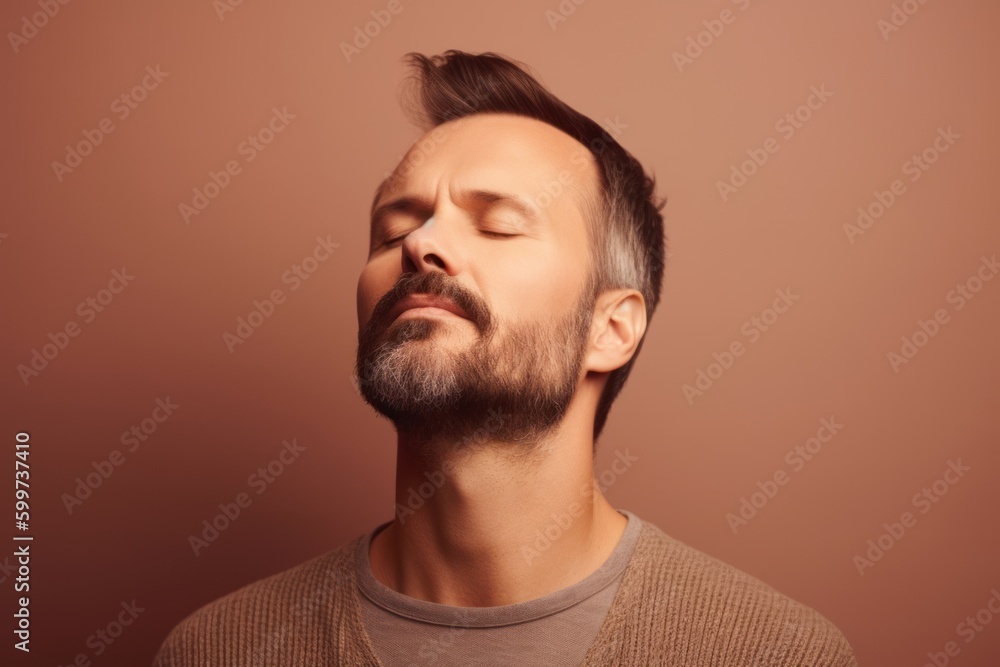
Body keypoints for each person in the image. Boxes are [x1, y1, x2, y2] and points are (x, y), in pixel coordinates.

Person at [153, 50, 857, 666]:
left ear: (610, 328)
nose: (420, 245)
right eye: (394, 225)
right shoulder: (217, 649)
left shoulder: (770, 652)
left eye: (498, 225)